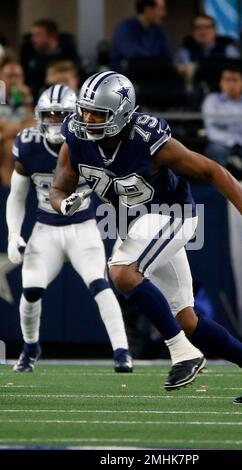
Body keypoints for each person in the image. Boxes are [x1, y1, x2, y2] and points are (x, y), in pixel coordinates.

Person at [49, 71, 242, 404]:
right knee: (187, 320)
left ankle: (182, 354)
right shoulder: (75, 139)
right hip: (138, 225)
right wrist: (64, 205)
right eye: (84, 112)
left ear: (121, 113)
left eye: (97, 114)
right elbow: (59, 188)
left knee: (121, 270)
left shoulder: (148, 141)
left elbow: (211, 170)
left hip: (172, 215)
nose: (87, 121)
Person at [6, 84, 132, 373]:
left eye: (60, 114)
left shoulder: (88, 141)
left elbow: (115, 188)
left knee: (100, 284)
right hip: (46, 228)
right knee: (31, 290)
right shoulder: (28, 145)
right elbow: (16, 195)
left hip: (82, 226)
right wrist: (14, 234)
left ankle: (122, 351)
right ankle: (30, 348)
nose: (52, 120)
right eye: (48, 115)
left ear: (74, 115)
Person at [202, 66, 242, 180]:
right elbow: (212, 120)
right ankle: (223, 190)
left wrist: (225, 120)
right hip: (219, 144)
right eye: (227, 80)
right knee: (215, 152)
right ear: (221, 83)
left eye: (236, 80)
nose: (231, 84)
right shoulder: (211, 100)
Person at [110, 0, 172, 72]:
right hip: (127, 78)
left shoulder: (159, 31)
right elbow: (135, 57)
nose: (164, 13)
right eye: (161, 9)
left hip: (154, 76)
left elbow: (168, 56)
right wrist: (158, 62)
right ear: (148, 9)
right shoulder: (125, 28)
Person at [0, 61, 34, 186]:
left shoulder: (27, 96)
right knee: (9, 144)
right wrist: (20, 127)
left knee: (14, 142)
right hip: (4, 139)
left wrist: (27, 102)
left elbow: (34, 123)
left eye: (17, 76)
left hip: (16, 137)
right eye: (9, 76)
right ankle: (7, 190)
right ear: (1, 78)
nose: (14, 80)